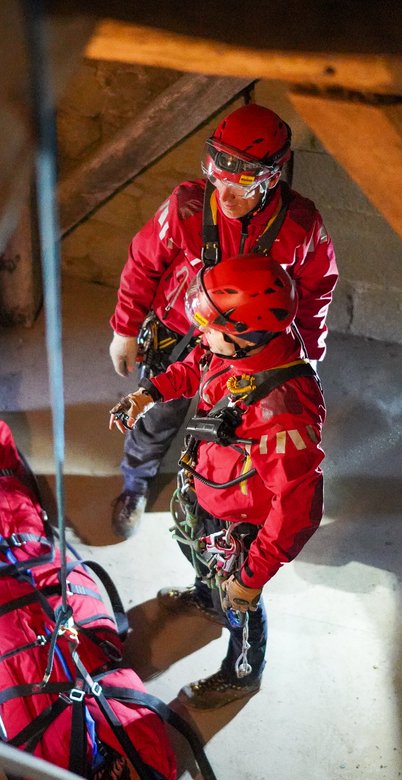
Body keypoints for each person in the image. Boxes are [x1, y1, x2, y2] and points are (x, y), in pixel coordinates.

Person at [108, 101, 338, 539]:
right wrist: (124, 328)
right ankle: (136, 481)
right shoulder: (188, 206)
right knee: (155, 411)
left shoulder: (301, 225)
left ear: (273, 176)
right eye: (218, 178)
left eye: (243, 184)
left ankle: (211, 498)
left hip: (249, 345)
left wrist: (308, 355)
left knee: (227, 428)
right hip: (181, 326)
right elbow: (143, 262)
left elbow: (316, 289)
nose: (225, 196)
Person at [108, 253, 327, 709]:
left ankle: (242, 673)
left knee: (241, 607)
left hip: (242, 524)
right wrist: (148, 394)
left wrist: (250, 578)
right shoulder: (238, 346)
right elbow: (196, 366)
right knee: (205, 563)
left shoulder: (282, 407)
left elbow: (296, 509)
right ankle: (209, 595)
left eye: (211, 327)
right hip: (211, 493)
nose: (201, 335)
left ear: (246, 334)